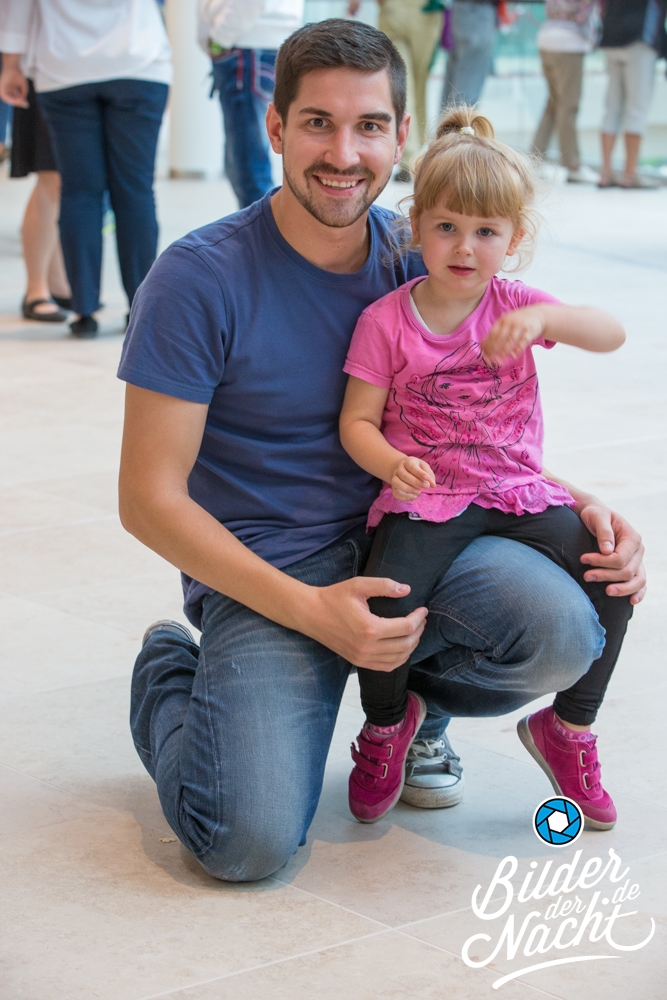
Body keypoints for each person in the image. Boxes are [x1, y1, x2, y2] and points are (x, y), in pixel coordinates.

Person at [117, 19, 645, 883]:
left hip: (418, 532)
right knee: (243, 843)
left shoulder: (425, 254)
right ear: (274, 127)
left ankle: (413, 711)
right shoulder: (197, 279)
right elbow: (148, 500)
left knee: (562, 627)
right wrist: (313, 611)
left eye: (367, 126)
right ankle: (173, 672)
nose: (343, 153)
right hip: (276, 568)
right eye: (316, 123)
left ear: (401, 135)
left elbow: (464, 426)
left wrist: (580, 502)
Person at [339, 106, 630, 827]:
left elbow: (611, 333)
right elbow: (355, 423)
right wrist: (391, 462)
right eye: (446, 226)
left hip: (515, 489)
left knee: (610, 576)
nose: (464, 247)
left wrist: (548, 320)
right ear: (416, 226)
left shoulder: (516, 304)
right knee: (386, 602)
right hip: (429, 498)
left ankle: (569, 728)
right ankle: (387, 726)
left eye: (486, 232)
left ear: (513, 239)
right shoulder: (386, 320)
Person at [0, 0, 172, 337]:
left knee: (79, 192)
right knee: (135, 191)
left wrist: (11, 64)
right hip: (139, 62)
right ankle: (141, 308)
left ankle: (84, 312)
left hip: (64, 67)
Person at [198, 0, 304, 208]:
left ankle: (265, 229)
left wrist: (220, 39)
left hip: (247, 45)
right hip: (250, 44)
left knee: (249, 166)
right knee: (245, 162)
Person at [0, 70, 72, 323]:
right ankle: (36, 289)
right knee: (52, 176)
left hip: (75, 73)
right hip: (40, 72)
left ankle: (57, 282)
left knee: (67, 180)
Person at [348, 0, 443, 183]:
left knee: (403, 79)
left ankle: (411, 152)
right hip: (423, 12)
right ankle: (413, 153)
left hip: (395, 10)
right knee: (416, 81)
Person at [598, 0, 667, 188]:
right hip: (640, 40)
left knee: (611, 107)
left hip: (611, 38)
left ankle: (605, 171)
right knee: (637, 108)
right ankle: (630, 173)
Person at [532, 0, 599, 184]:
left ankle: (534, 161)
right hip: (569, 42)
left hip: (546, 39)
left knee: (553, 104)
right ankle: (572, 165)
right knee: (568, 106)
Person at [442, 0, 499, 108]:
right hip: (477, 13)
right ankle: (460, 119)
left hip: (459, 11)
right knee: (466, 92)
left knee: (454, 85)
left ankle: (448, 119)